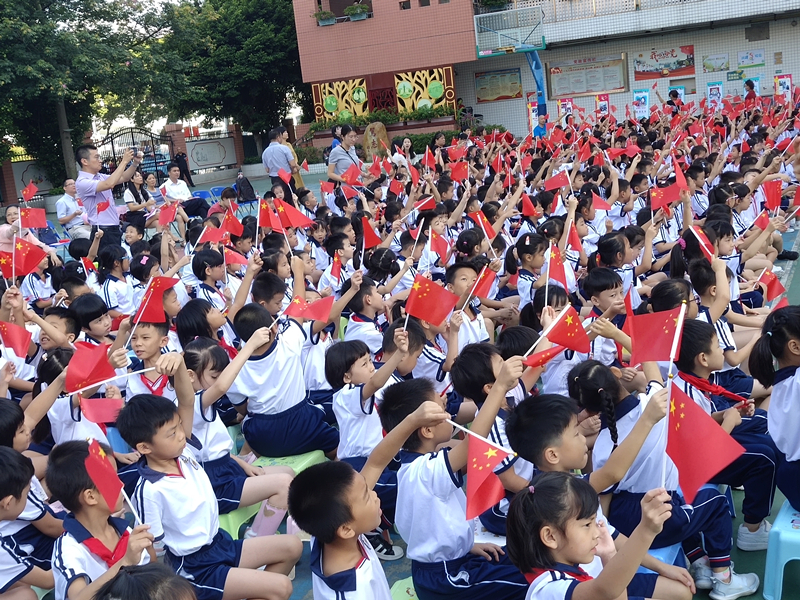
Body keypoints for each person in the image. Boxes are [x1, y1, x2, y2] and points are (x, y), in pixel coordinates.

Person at [116, 353, 301, 600]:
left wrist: (179, 364)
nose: (181, 435)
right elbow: (154, 552)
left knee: (292, 547)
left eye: (179, 427)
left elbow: (186, 399)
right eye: (171, 433)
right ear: (144, 447)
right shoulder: (150, 489)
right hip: (196, 569)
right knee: (282, 587)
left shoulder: (182, 452)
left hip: (219, 544)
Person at [287, 399, 448, 600]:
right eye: (366, 496)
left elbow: (375, 464)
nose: (374, 495)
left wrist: (413, 420)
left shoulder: (330, 533)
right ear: (346, 529)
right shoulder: (353, 592)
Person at [505, 472, 674, 600]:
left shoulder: (573, 570)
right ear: (550, 537)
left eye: (595, 523)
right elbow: (604, 591)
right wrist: (646, 531)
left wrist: (609, 555)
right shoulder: (550, 588)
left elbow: (614, 596)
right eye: (587, 525)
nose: (596, 533)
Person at [46, 441, 154, 600]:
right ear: (90, 497)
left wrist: (149, 549)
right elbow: (78, 597)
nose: (121, 483)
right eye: (112, 478)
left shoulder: (124, 531)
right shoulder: (69, 549)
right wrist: (124, 562)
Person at [75, 144, 142, 249]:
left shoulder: (100, 176)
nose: (100, 160)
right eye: (96, 157)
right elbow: (109, 184)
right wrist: (124, 161)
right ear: (84, 161)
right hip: (102, 230)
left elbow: (124, 177)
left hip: (112, 228)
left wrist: (135, 163)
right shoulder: (82, 181)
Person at [262, 127, 298, 198]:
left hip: (274, 179)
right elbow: (293, 164)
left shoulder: (265, 152)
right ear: (278, 137)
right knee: (291, 198)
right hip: (286, 178)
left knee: (279, 199)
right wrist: (293, 169)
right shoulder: (284, 148)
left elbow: (267, 170)